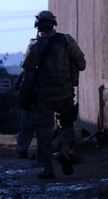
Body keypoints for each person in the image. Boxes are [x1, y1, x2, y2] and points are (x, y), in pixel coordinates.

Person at [20, 10, 86, 179]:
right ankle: (64, 150)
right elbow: (81, 64)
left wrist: (24, 97)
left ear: (37, 25)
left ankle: (48, 168)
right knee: (67, 125)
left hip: (43, 97)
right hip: (65, 93)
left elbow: (28, 75)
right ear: (54, 24)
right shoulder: (66, 41)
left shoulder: (33, 46)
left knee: (43, 131)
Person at [14, 71, 37, 159]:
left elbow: (17, 86)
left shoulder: (26, 72)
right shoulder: (47, 71)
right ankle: (43, 153)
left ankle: (22, 150)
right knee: (43, 129)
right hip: (43, 103)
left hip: (29, 105)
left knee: (26, 128)